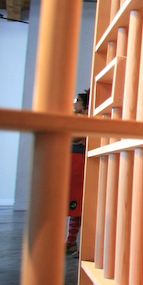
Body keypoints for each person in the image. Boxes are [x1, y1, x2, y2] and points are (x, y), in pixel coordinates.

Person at [66, 89, 89, 257]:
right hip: (75, 159)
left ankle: (80, 244)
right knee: (75, 204)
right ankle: (71, 241)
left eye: (78, 101)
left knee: (81, 203)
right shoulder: (80, 119)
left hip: (80, 161)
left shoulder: (86, 120)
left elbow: (72, 136)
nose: (74, 103)